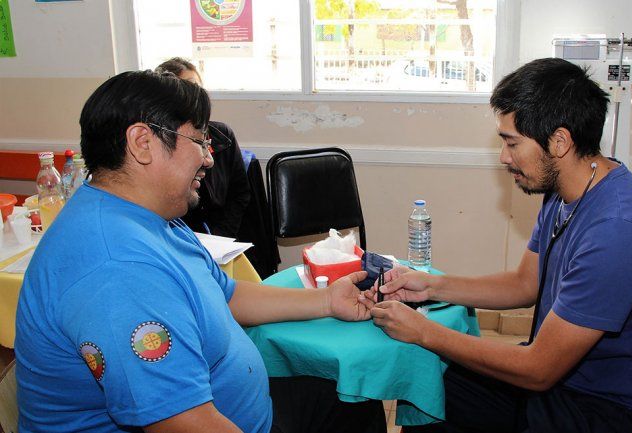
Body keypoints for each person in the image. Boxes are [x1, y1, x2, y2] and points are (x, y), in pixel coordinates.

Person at [15, 70, 384, 433]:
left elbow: (225, 293)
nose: (209, 158)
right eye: (199, 140)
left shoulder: (149, 215)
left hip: (243, 410)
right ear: (142, 143)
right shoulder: (118, 269)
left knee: (354, 398)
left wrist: (327, 301)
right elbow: (182, 422)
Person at [368, 58, 632, 433]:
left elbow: (538, 370)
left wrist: (424, 332)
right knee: (430, 389)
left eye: (512, 143)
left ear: (560, 141)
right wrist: (432, 285)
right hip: (568, 387)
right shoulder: (566, 192)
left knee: (436, 380)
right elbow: (524, 284)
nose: (504, 156)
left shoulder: (618, 230)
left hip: (613, 413)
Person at [154, 57, 250, 239]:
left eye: (199, 87)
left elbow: (239, 194)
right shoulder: (162, 144)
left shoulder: (222, 135)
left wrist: (221, 237)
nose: (208, 160)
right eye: (189, 87)